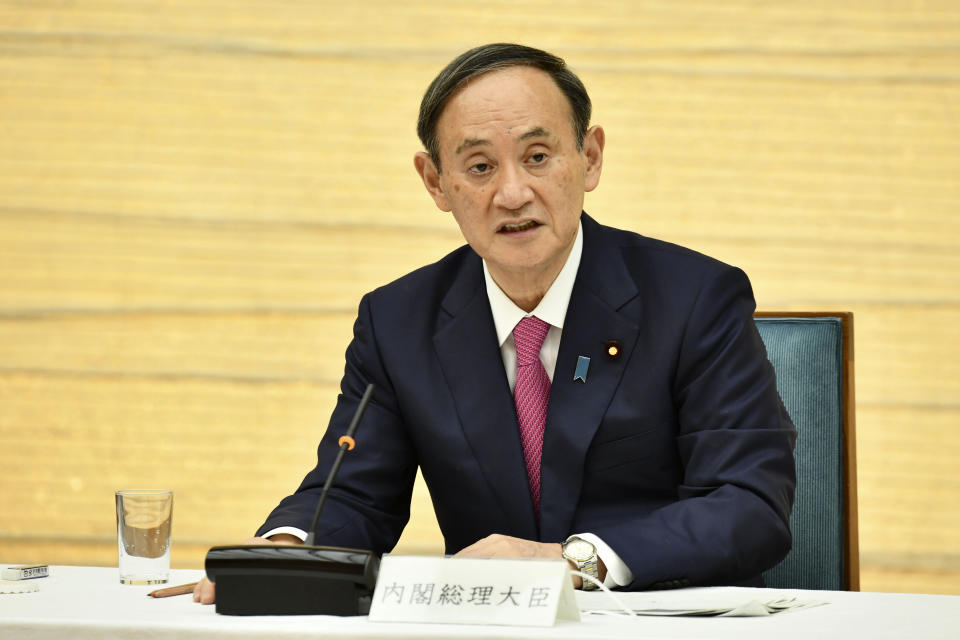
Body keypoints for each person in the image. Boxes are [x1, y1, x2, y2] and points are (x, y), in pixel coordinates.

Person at [194, 43, 796, 604]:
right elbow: (351, 493)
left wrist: (576, 561)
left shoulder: (694, 298)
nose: (512, 193)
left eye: (537, 157)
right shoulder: (398, 321)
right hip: (491, 627)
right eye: (479, 167)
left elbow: (746, 505)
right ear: (436, 183)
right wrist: (285, 554)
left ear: (588, 158)